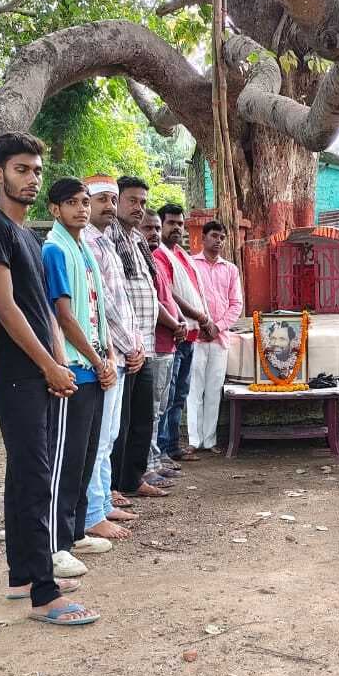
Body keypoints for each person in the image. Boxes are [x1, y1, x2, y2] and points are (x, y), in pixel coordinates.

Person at [0, 132, 96, 624]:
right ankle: (44, 592)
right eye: (22, 169)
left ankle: (24, 573)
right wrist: (47, 365)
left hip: (43, 371)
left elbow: (43, 309)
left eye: (37, 171)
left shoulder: (27, 235)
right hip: (16, 372)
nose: (32, 178)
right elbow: (3, 307)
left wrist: (60, 362)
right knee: (37, 474)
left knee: (27, 474)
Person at [42, 177, 119, 579]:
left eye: (85, 202)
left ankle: (74, 533)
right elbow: (64, 315)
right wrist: (94, 358)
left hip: (95, 365)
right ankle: (54, 545)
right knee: (66, 460)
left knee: (87, 455)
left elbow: (96, 310)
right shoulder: (55, 249)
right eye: (71, 202)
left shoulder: (83, 249)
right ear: (55, 209)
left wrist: (105, 355)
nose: (82, 209)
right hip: (75, 367)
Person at [81, 175, 141, 542]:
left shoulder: (107, 243)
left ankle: (102, 504)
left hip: (119, 353)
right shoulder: (86, 243)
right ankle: (91, 513)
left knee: (111, 434)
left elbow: (124, 304)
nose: (106, 205)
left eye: (110, 198)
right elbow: (103, 308)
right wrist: (128, 344)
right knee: (100, 438)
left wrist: (134, 344)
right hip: (103, 354)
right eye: (100, 198)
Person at [107, 177, 166, 505]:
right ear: (116, 200)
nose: (138, 208)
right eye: (132, 200)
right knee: (121, 420)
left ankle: (133, 477)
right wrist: (129, 344)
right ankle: (113, 486)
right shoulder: (110, 235)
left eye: (142, 202)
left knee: (143, 415)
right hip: (123, 346)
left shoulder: (137, 239)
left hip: (145, 342)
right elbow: (115, 297)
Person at [153, 204, 213, 463]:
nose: (176, 228)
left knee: (179, 394)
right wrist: (200, 316)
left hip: (189, 334)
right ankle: (164, 448)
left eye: (180, 223)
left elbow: (194, 292)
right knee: (168, 395)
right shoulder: (159, 254)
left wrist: (203, 319)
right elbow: (170, 295)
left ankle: (172, 445)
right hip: (173, 334)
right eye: (171, 223)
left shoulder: (181, 255)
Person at [141, 209, 188, 491]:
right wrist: (175, 324)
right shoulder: (144, 259)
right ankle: (148, 466)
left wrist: (179, 322)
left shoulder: (155, 260)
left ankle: (156, 461)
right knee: (153, 410)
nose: (154, 234)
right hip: (155, 343)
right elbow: (153, 303)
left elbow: (167, 297)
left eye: (157, 229)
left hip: (168, 341)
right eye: (150, 228)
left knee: (162, 406)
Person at [189, 220, 244, 452]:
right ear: (203, 238)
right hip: (196, 336)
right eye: (214, 236)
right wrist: (201, 325)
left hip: (220, 338)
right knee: (194, 390)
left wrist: (218, 326)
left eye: (222, 237)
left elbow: (236, 304)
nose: (218, 241)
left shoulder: (230, 269)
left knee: (213, 390)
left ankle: (210, 440)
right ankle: (193, 440)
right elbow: (185, 298)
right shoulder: (190, 265)